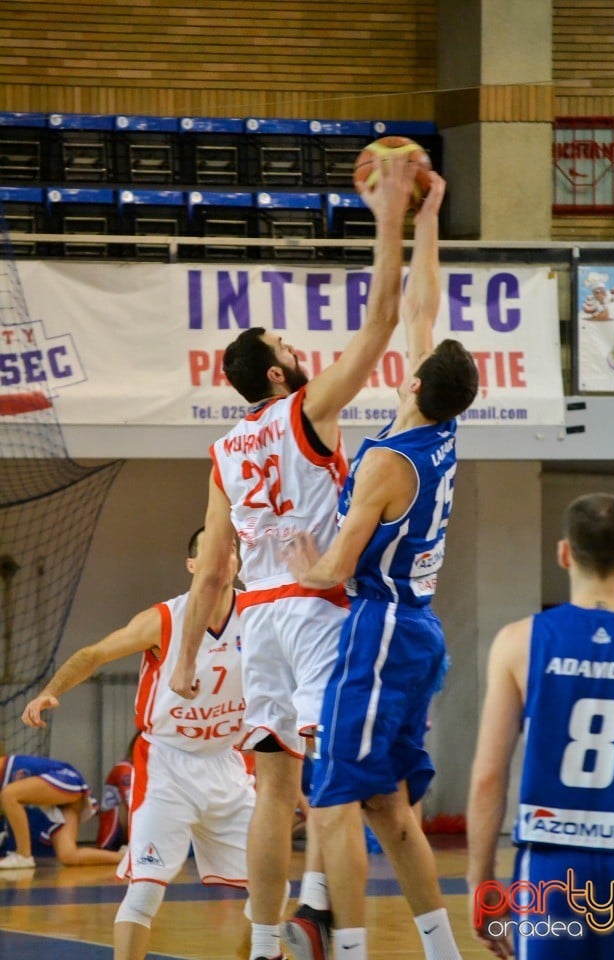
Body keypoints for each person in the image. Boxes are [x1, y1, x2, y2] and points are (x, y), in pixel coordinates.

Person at [169, 152, 420, 960]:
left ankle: (267, 943)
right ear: (279, 372)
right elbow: (381, 322)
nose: (298, 347)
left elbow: (214, 568)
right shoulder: (306, 412)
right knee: (337, 788)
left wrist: (184, 658)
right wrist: (389, 216)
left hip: (253, 621)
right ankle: (343, 947)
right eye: (287, 341)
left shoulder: (222, 447)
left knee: (273, 790)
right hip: (316, 609)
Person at [282, 171, 478, 960]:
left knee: (331, 803)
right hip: (415, 630)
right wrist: (428, 217)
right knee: (392, 810)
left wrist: (306, 560)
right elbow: (421, 305)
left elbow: (336, 569)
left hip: (382, 627)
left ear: (414, 381)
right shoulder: (439, 431)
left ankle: (349, 950)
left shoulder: (388, 464)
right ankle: (443, 951)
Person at [22, 529, 259, 960]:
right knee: (145, 891)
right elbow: (95, 654)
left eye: (232, 551)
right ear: (192, 565)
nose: (224, 558)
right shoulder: (165, 619)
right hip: (167, 763)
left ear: (239, 562)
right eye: (212, 552)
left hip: (226, 762)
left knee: (270, 884)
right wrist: (50, 690)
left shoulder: (259, 614)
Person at [466, 492, 614, 960]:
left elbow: (488, 778)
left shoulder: (519, 641)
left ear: (563, 553)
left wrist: (481, 880)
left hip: (551, 867)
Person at [0, 752, 122, 870]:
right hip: (65, 799)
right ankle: (126, 858)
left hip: (65, 779)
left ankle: (23, 855)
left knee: (8, 794)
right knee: (68, 856)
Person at [96, 732, 138, 851]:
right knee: (138, 805)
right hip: (111, 833)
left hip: (121, 831)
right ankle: (135, 845)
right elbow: (132, 803)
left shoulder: (138, 769)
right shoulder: (125, 768)